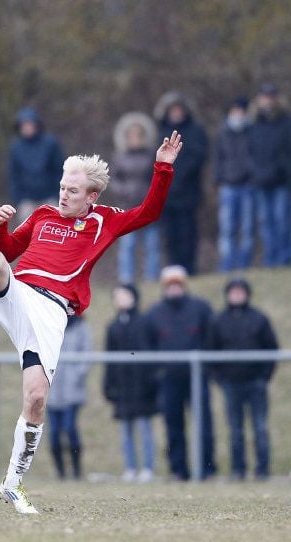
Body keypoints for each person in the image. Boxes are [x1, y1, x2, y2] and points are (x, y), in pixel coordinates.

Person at [0, 132, 183, 513]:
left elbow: (149, 212)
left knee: (36, 398)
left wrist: (163, 167)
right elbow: (10, 250)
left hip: (51, 313)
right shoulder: (43, 216)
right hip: (18, 293)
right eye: (62, 187)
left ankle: (13, 484)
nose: (63, 195)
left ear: (91, 197)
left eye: (73, 191)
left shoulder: (104, 222)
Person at [145, 265, 216, 481]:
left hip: (197, 377)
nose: (174, 288)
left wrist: (206, 368)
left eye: (178, 284)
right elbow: (149, 344)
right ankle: (179, 469)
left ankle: (207, 469)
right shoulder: (155, 313)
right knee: (173, 425)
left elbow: (211, 339)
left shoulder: (201, 308)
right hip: (169, 378)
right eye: (170, 284)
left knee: (203, 424)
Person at [210, 278, 278, 480]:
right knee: (235, 430)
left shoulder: (259, 319)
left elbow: (271, 348)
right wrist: (220, 378)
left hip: (256, 383)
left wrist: (264, 377)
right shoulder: (219, 320)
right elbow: (211, 350)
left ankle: (262, 470)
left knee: (260, 427)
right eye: (234, 292)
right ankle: (238, 470)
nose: (237, 295)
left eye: (241, 291)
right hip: (231, 384)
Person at [103, 284, 158, 483]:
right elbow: (109, 360)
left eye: (123, 295)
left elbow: (151, 354)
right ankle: (130, 467)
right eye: (116, 295)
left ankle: (148, 468)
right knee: (125, 430)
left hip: (142, 386)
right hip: (123, 386)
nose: (120, 299)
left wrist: (151, 381)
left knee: (144, 428)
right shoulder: (113, 326)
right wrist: (109, 386)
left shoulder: (144, 322)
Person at [154, 92, 208, 275]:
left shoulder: (195, 131)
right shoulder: (161, 132)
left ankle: (189, 268)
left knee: (188, 233)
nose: (176, 114)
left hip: (188, 192)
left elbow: (199, 157)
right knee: (170, 235)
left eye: (179, 110)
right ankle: (174, 267)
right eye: (173, 110)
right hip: (167, 194)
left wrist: (180, 175)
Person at [110, 112, 160, 282]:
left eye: (138, 134)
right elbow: (113, 180)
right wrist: (125, 191)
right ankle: (126, 279)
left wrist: (151, 195)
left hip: (148, 207)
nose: (135, 138)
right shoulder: (119, 156)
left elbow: (158, 178)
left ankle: (151, 278)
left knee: (151, 245)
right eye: (131, 135)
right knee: (127, 246)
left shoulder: (151, 155)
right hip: (127, 208)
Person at [248, 83, 291, 267]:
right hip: (260, 181)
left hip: (281, 181)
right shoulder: (253, 124)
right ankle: (270, 260)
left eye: (271, 96)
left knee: (283, 221)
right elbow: (249, 152)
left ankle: (284, 258)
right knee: (266, 223)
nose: (267, 100)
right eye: (264, 96)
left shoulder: (285, 122)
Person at [46, 315, 93, 480]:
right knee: (53, 434)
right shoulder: (48, 324)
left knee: (70, 428)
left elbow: (86, 354)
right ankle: (60, 472)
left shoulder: (81, 327)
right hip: (51, 391)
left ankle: (76, 470)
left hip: (72, 391)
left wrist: (77, 375)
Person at [215, 97, 254, 272]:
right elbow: (218, 158)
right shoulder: (223, 132)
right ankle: (227, 265)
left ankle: (245, 265)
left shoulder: (252, 131)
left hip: (247, 184)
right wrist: (219, 180)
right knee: (227, 229)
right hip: (228, 185)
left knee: (247, 227)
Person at [9, 107, 64, 223]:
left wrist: (59, 194)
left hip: (50, 197)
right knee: (27, 234)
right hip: (27, 199)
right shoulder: (16, 147)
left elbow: (59, 169)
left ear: (36, 125)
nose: (26, 128)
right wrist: (18, 198)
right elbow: (14, 174)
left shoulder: (50, 143)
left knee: (52, 231)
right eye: (23, 125)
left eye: (29, 124)